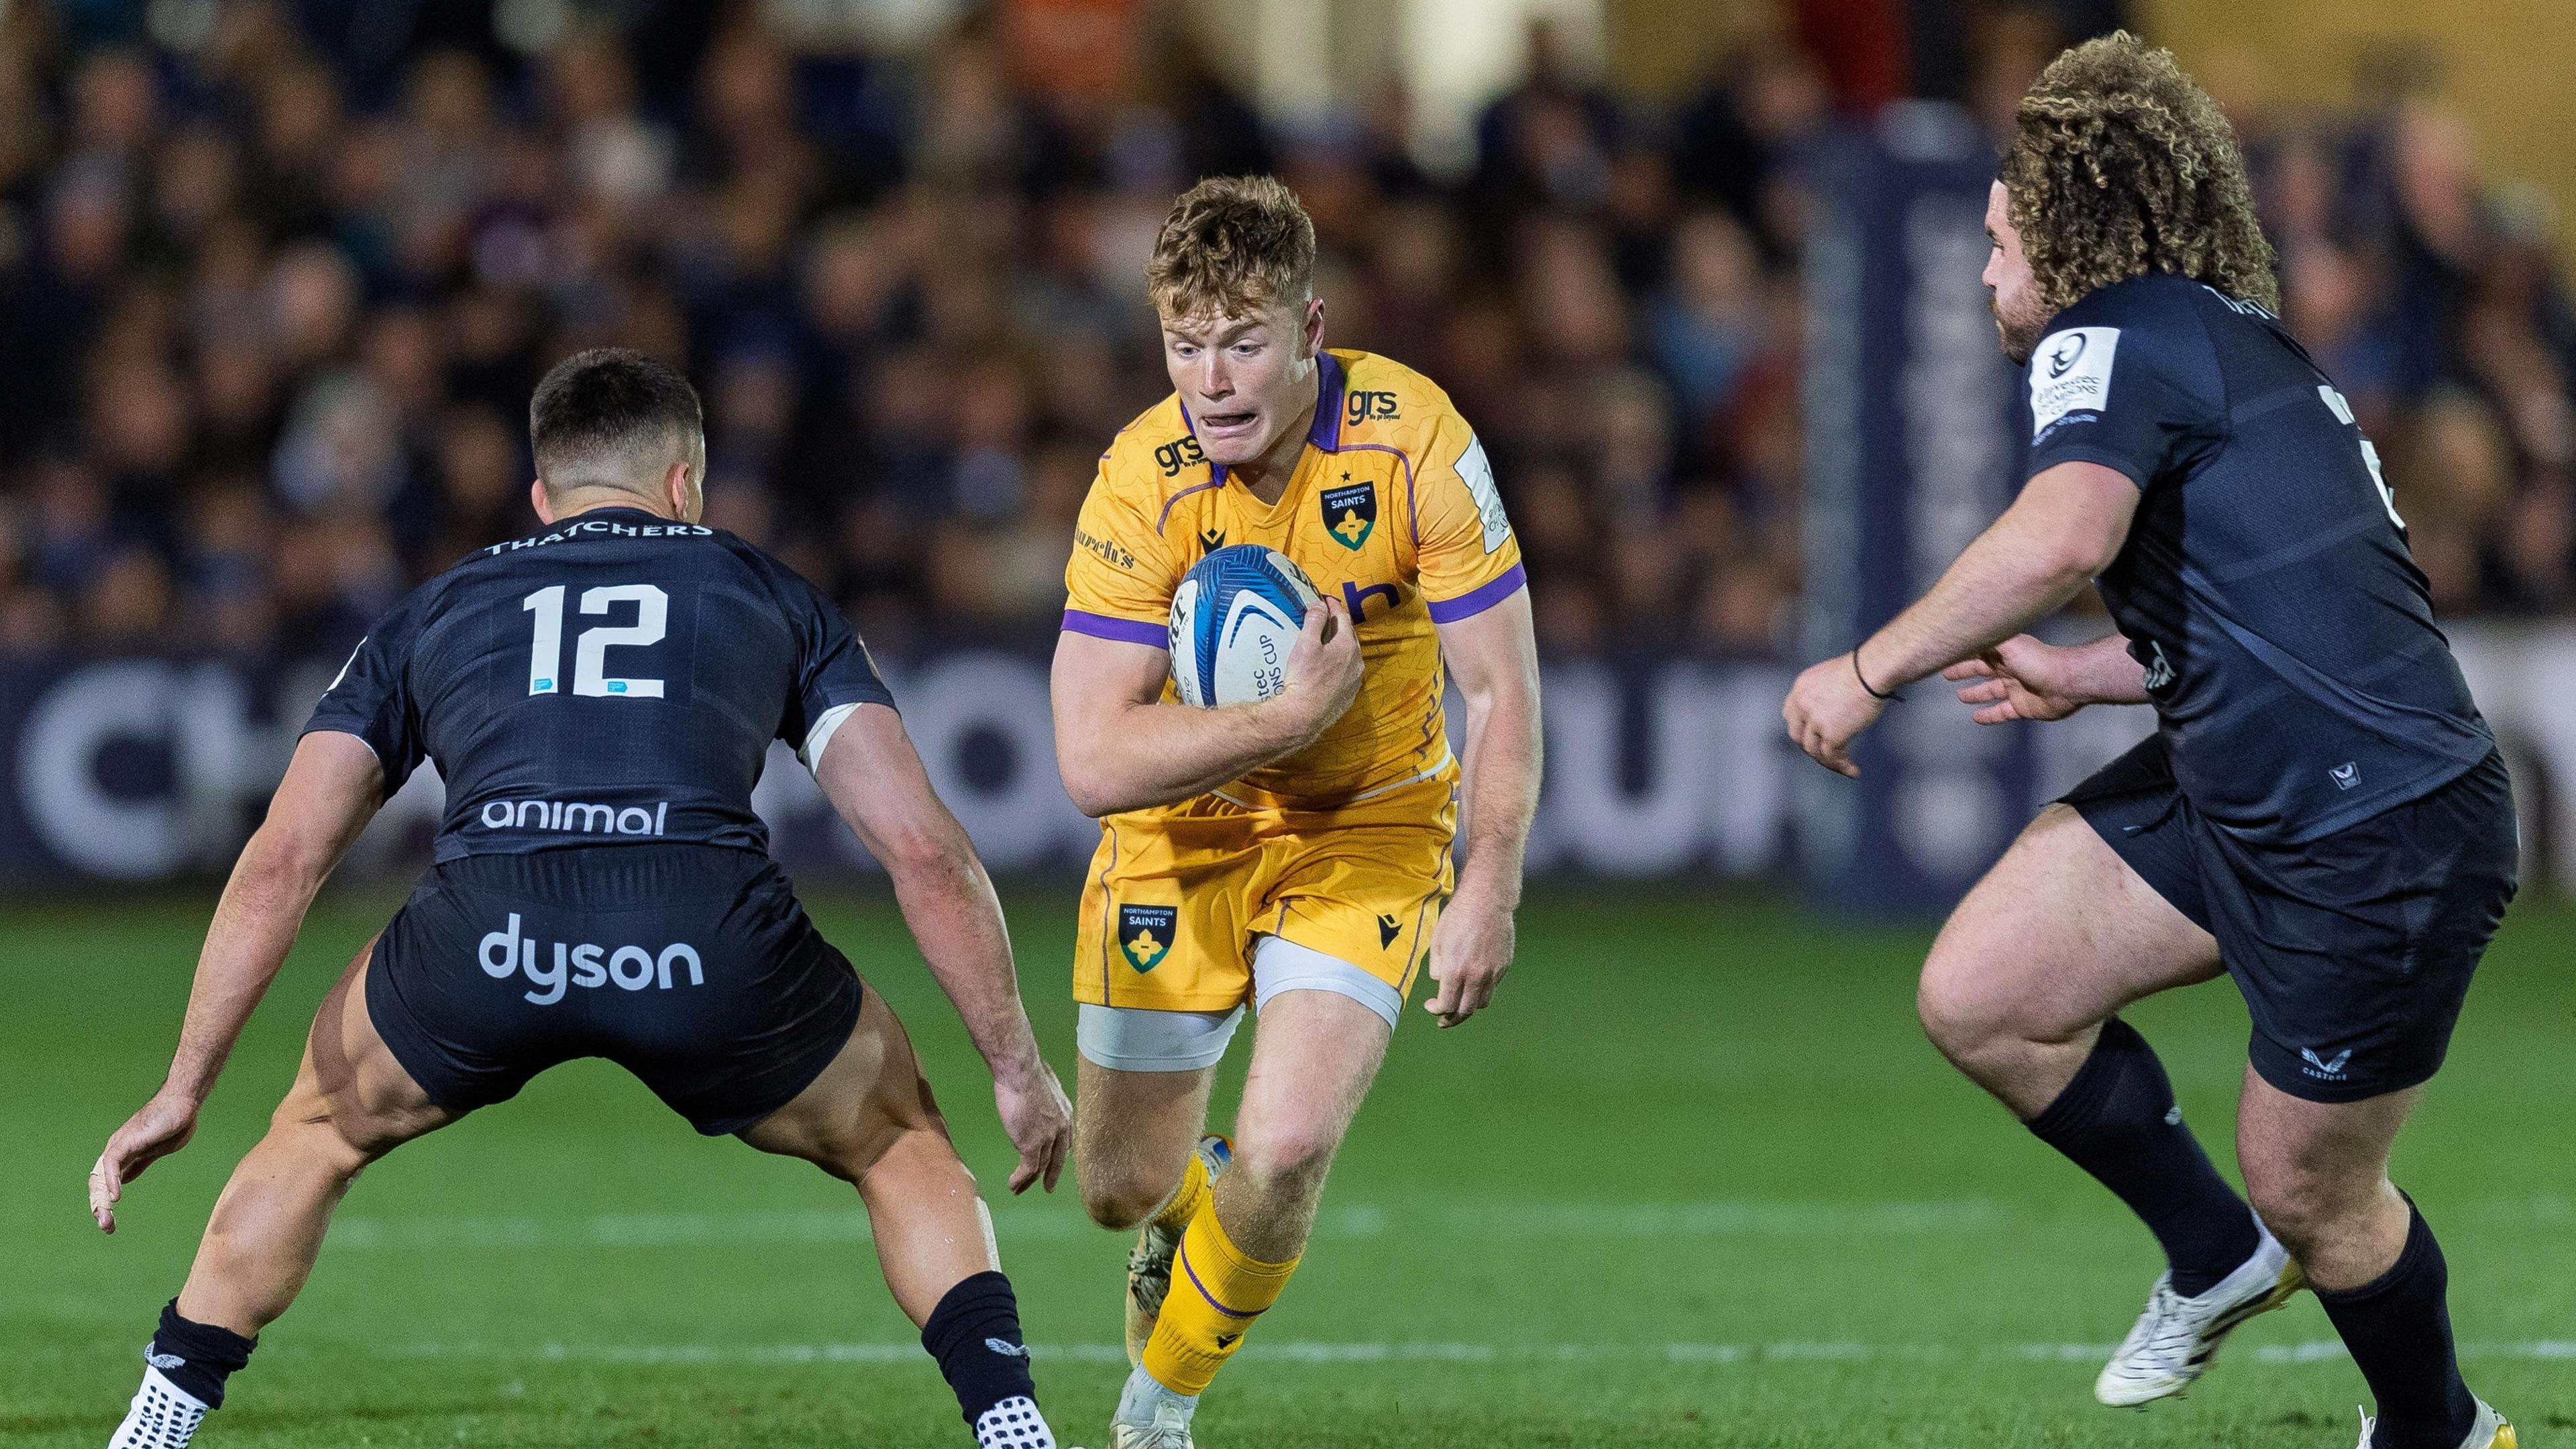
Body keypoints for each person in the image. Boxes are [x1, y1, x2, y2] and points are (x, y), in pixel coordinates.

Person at [87, 349, 1079, 1449]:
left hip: (489, 937)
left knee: (314, 1131)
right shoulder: (769, 593)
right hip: (704, 940)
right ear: (684, 482)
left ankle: (157, 1423)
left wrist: (184, 1085)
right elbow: (925, 853)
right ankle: (1011, 1425)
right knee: (899, 1143)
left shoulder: (441, 605)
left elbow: (284, 859)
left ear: (541, 496)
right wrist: (1017, 1071)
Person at [1782, 36, 2516, 1449]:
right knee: (1987, 991)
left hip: (2379, 827)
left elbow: (2065, 532)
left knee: (2316, 1189)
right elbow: (2294, 611)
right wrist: (2083, 670)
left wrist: (1872, 666)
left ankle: (2439, 1429)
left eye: (1998, 240)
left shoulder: (2108, 332)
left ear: (2068, 230)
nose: (1987, 270)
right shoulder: (2215, 341)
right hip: (2252, 775)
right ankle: (2213, 1253)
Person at [1049, 176, 1543, 1449]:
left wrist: (1489, 881)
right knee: (1118, 1191)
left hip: (1369, 825)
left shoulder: (1416, 441)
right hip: (1182, 827)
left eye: (1242, 343)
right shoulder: (1140, 479)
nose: (1210, 381)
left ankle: (1158, 1409)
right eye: (1184, 345)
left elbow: (1502, 688)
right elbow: (1095, 761)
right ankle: (1179, 1208)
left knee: (1283, 1149)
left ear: (1312, 329)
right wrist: (1279, 720)